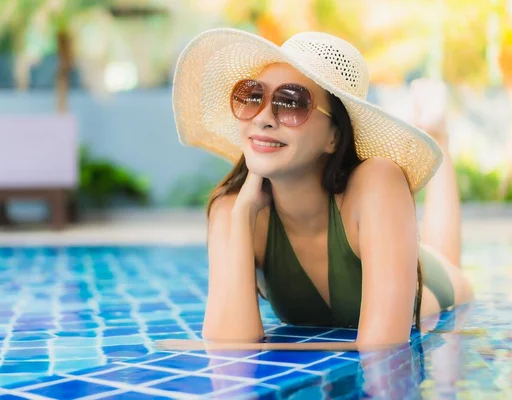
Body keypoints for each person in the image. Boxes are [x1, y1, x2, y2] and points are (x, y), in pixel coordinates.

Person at [161, 28, 474, 351]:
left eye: (292, 103)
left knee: (446, 260)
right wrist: (241, 216)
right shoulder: (233, 209)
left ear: (334, 137)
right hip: (374, 240)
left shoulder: (377, 182)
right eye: (253, 96)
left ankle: (439, 135)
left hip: (440, 288)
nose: (264, 118)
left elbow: (383, 348)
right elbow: (229, 350)